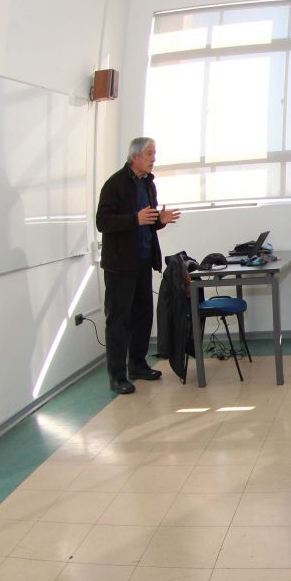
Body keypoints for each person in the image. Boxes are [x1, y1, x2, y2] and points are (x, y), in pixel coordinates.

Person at [96, 137, 181, 395]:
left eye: (154, 154)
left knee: (143, 315)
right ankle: (117, 375)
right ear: (134, 157)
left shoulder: (148, 184)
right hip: (120, 265)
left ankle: (138, 365)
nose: (153, 158)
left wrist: (160, 220)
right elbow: (103, 221)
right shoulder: (115, 184)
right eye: (149, 154)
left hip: (143, 261)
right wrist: (135, 218)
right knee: (119, 320)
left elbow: (147, 221)